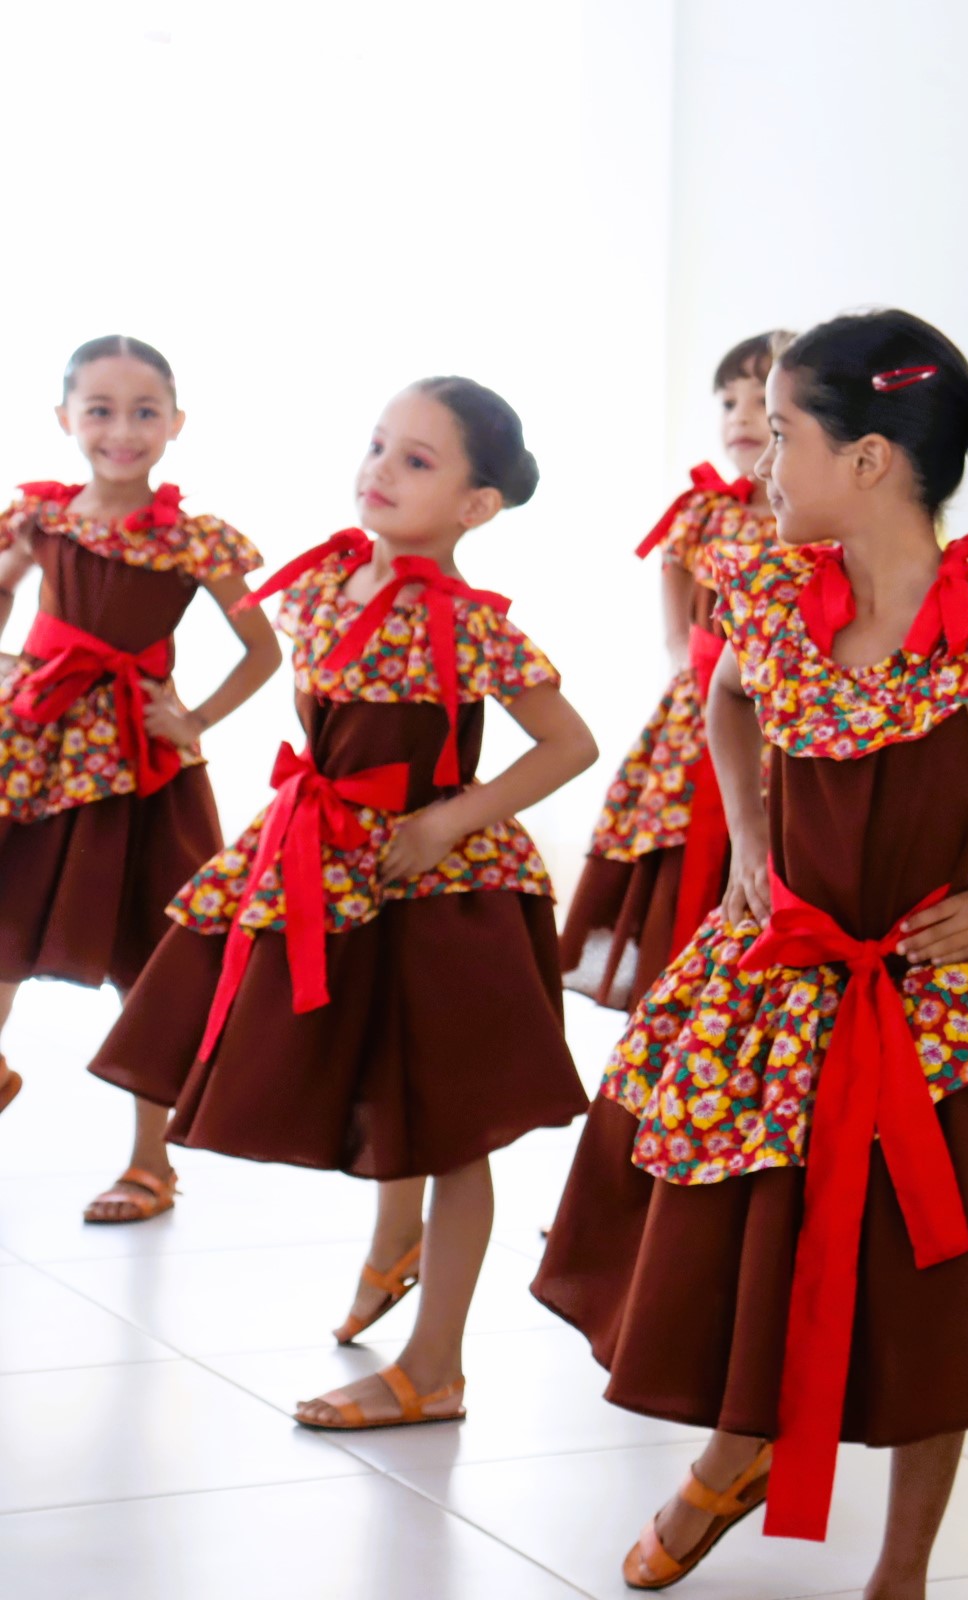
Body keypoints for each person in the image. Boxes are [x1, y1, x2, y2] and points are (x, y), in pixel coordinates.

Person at [531, 310, 968, 1595]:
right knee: (757, 1234)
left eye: (785, 435)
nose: (765, 463)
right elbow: (722, 698)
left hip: (938, 1012)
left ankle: (903, 1565)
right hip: (777, 978)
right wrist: (748, 844)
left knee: (923, 1285)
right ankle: (734, 1451)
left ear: (873, 458)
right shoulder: (771, 600)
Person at [87, 377, 599, 1430]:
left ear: (475, 506)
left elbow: (570, 744)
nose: (380, 468)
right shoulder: (318, 586)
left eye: (418, 461)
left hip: (434, 884)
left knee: (455, 1125)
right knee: (353, 1067)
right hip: (319, 860)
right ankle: (390, 1240)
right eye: (377, 445)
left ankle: (435, 1364)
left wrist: (452, 821)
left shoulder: (475, 628)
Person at [0, 336, 281, 1222]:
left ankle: (149, 1162)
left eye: (144, 411)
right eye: (101, 410)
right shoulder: (41, 518)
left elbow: (262, 649)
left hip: (137, 761)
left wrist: (193, 718)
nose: (122, 430)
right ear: (65, 420)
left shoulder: (191, 538)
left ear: (175, 423)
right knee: (4, 913)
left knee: (149, 956)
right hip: (37, 747)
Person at [560, 331, 786, 1008]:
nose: (741, 417)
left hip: (781, 712)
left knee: (761, 835)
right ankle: (671, 992)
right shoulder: (702, 510)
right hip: (700, 700)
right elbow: (675, 593)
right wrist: (683, 663)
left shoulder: (809, 517)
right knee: (681, 838)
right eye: (729, 401)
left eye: (762, 402)